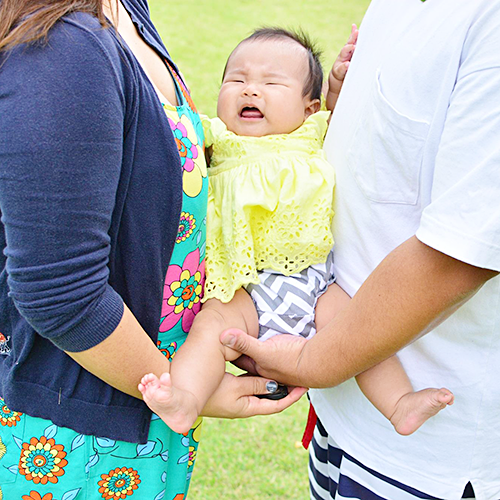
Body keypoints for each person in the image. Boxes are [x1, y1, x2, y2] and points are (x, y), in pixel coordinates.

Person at [0, 1, 306, 499]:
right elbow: (61, 296)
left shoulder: (125, 9)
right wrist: (184, 389)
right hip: (72, 424)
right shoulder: (61, 45)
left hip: (141, 403)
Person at [218, 1, 500, 499]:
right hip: (342, 416)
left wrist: (313, 361)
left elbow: (463, 250)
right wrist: (339, 102)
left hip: (430, 458)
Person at [139, 27, 453, 441]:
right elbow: (170, 137)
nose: (251, 90)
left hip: (317, 283)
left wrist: (341, 81)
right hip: (243, 290)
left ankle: (399, 404)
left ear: (309, 108)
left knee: (357, 328)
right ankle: (185, 399)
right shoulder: (214, 138)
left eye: (271, 82)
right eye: (236, 80)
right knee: (210, 330)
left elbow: (343, 114)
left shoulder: (312, 135)